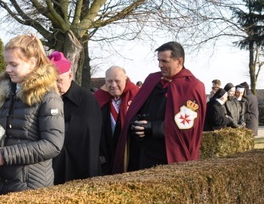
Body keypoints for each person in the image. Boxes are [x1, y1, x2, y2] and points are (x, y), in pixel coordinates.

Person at [0, 34, 64, 195]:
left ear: (32, 63)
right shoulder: (5, 95)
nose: (7, 69)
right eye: (7, 64)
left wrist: (6, 155)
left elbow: (53, 145)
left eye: (14, 64)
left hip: (31, 189)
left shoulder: (49, 98)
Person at [113, 41, 206, 173]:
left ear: (179, 62)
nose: (160, 65)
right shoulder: (153, 79)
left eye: (164, 61)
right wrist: (135, 123)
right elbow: (137, 107)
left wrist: (153, 127)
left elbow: (187, 126)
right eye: (159, 60)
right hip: (143, 153)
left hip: (169, 154)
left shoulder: (192, 86)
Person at [50, 51, 102, 184]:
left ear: (70, 76)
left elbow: (88, 136)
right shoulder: (48, 98)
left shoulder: (86, 99)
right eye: (52, 82)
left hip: (79, 165)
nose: (56, 86)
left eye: (59, 81)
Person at [94, 65, 140, 175]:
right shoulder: (98, 98)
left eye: (117, 81)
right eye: (109, 81)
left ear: (126, 79)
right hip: (106, 154)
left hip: (130, 153)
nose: (113, 85)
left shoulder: (136, 95)